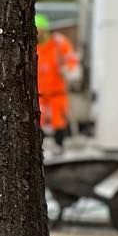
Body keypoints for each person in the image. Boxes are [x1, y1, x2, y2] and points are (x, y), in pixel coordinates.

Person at [36, 12, 79, 152]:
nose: (36, 33)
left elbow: (72, 60)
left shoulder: (58, 44)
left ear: (44, 29)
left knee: (58, 121)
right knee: (37, 122)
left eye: (38, 29)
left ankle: (59, 148)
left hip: (57, 93)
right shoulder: (32, 46)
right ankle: (38, 151)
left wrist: (69, 70)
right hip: (39, 94)